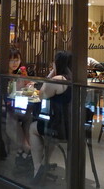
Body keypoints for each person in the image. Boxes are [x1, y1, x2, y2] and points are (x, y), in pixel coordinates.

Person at [30, 50, 73, 183]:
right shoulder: (74, 78)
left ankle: (37, 168)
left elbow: (41, 95)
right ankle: (44, 163)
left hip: (60, 128)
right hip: (74, 126)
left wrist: (51, 73)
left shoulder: (58, 79)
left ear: (58, 63)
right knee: (50, 134)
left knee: (32, 128)